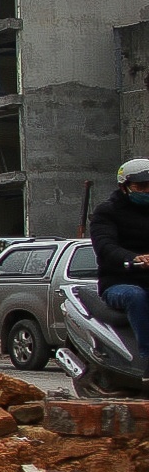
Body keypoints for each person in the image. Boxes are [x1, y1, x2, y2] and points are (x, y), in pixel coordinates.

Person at [89, 157, 149, 373]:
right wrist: (136, 258)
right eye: (141, 187)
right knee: (135, 296)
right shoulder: (107, 212)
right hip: (119, 282)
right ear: (124, 187)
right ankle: (146, 358)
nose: (147, 191)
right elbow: (106, 246)